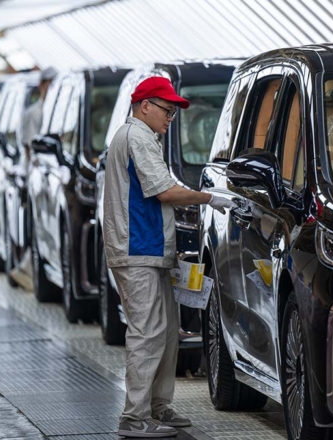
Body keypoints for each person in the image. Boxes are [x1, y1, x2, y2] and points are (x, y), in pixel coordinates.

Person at [103, 77, 233, 439]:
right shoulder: (137, 138)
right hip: (137, 251)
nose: (171, 118)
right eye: (167, 110)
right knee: (147, 334)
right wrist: (210, 198)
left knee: (164, 333)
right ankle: (134, 417)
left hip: (150, 250)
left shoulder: (141, 138)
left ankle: (157, 407)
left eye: (174, 112)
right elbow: (165, 192)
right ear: (145, 106)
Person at [21, 67, 58, 159]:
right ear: (41, 85)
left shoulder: (61, 114)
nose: (53, 88)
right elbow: (30, 147)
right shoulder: (34, 113)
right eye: (50, 84)